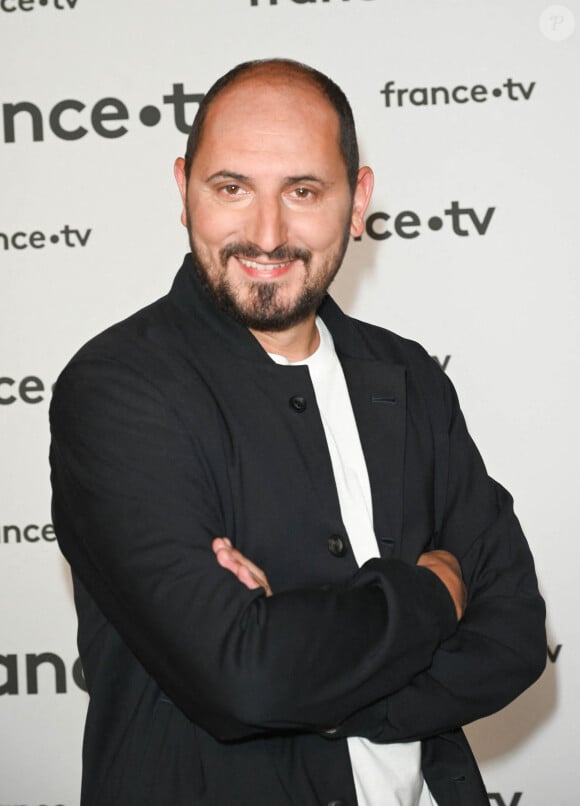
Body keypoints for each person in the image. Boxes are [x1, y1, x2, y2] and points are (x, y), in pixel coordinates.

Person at [49, 58, 546, 806]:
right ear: (184, 190)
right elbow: (244, 679)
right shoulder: (119, 389)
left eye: (304, 191)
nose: (268, 233)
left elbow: (511, 637)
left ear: (358, 201)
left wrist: (315, 683)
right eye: (232, 188)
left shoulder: (407, 377)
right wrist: (434, 597)